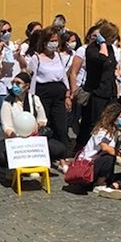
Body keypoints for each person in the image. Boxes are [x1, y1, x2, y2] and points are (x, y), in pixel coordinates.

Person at [0, 72, 67, 170]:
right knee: (2, 157)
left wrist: (37, 126)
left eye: (18, 83)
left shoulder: (34, 99)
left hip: (33, 139)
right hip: (13, 139)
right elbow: (6, 126)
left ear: (27, 86)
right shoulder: (7, 102)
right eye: (13, 83)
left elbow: (42, 119)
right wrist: (18, 140)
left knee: (60, 149)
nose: (15, 86)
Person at [26, 26, 71, 155]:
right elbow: (33, 79)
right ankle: (43, 153)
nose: (54, 43)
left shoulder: (58, 56)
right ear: (44, 42)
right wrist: (32, 98)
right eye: (51, 40)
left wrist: (68, 94)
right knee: (44, 125)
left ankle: (63, 154)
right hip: (43, 93)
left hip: (59, 93)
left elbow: (63, 75)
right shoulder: (37, 58)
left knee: (61, 126)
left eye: (56, 40)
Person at [74, 102, 121, 199]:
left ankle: (113, 185)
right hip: (87, 167)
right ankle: (100, 185)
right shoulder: (103, 131)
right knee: (109, 157)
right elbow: (105, 147)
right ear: (114, 117)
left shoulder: (115, 132)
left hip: (98, 167)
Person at [77, 19, 120, 149]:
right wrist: (102, 44)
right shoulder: (92, 49)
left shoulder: (110, 48)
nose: (114, 39)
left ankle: (108, 144)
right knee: (95, 122)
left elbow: (112, 64)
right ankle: (87, 147)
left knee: (111, 120)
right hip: (97, 91)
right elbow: (102, 59)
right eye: (112, 37)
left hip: (110, 90)